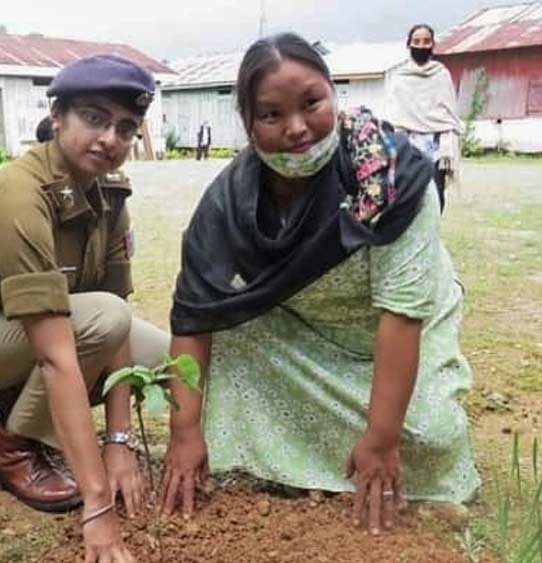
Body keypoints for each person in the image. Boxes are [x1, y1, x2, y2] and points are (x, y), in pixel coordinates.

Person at [159, 32, 480, 534]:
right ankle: (275, 462)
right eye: (271, 115)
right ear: (247, 123)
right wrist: (183, 433)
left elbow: (401, 314)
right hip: (303, 334)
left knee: (428, 434)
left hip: (395, 333)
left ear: (334, 94)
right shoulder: (228, 201)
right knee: (231, 340)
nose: (296, 128)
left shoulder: (394, 180)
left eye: (312, 103)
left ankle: (366, 449)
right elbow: (194, 317)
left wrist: (381, 438)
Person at [0, 54, 172, 563]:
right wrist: (98, 504)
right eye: (93, 118)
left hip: (18, 327)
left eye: (125, 127)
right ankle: (14, 449)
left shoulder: (110, 196)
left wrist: (118, 441)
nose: (109, 139)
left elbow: (113, 321)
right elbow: (60, 352)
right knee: (100, 322)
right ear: (57, 116)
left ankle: (21, 407)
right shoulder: (19, 197)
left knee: (165, 357)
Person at [385, 24, 462, 210]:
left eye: (426, 41)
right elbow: (393, 114)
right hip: (406, 145)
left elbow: (449, 112)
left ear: (433, 45)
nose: (421, 45)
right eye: (416, 41)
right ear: (409, 45)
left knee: (436, 195)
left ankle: (432, 235)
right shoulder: (399, 77)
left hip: (436, 147)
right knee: (407, 195)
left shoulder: (441, 74)